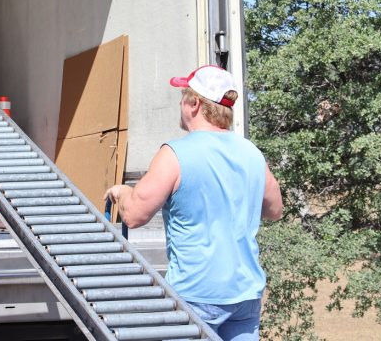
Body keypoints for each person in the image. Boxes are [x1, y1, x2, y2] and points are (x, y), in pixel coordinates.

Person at [104, 65, 282, 341]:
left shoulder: (176, 153)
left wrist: (120, 192)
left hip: (197, 295)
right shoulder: (252, 153)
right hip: (244, 294)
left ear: (194, 103)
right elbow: (274, 210)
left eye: (182, 96)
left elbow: (134, 215)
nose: (179, 103)